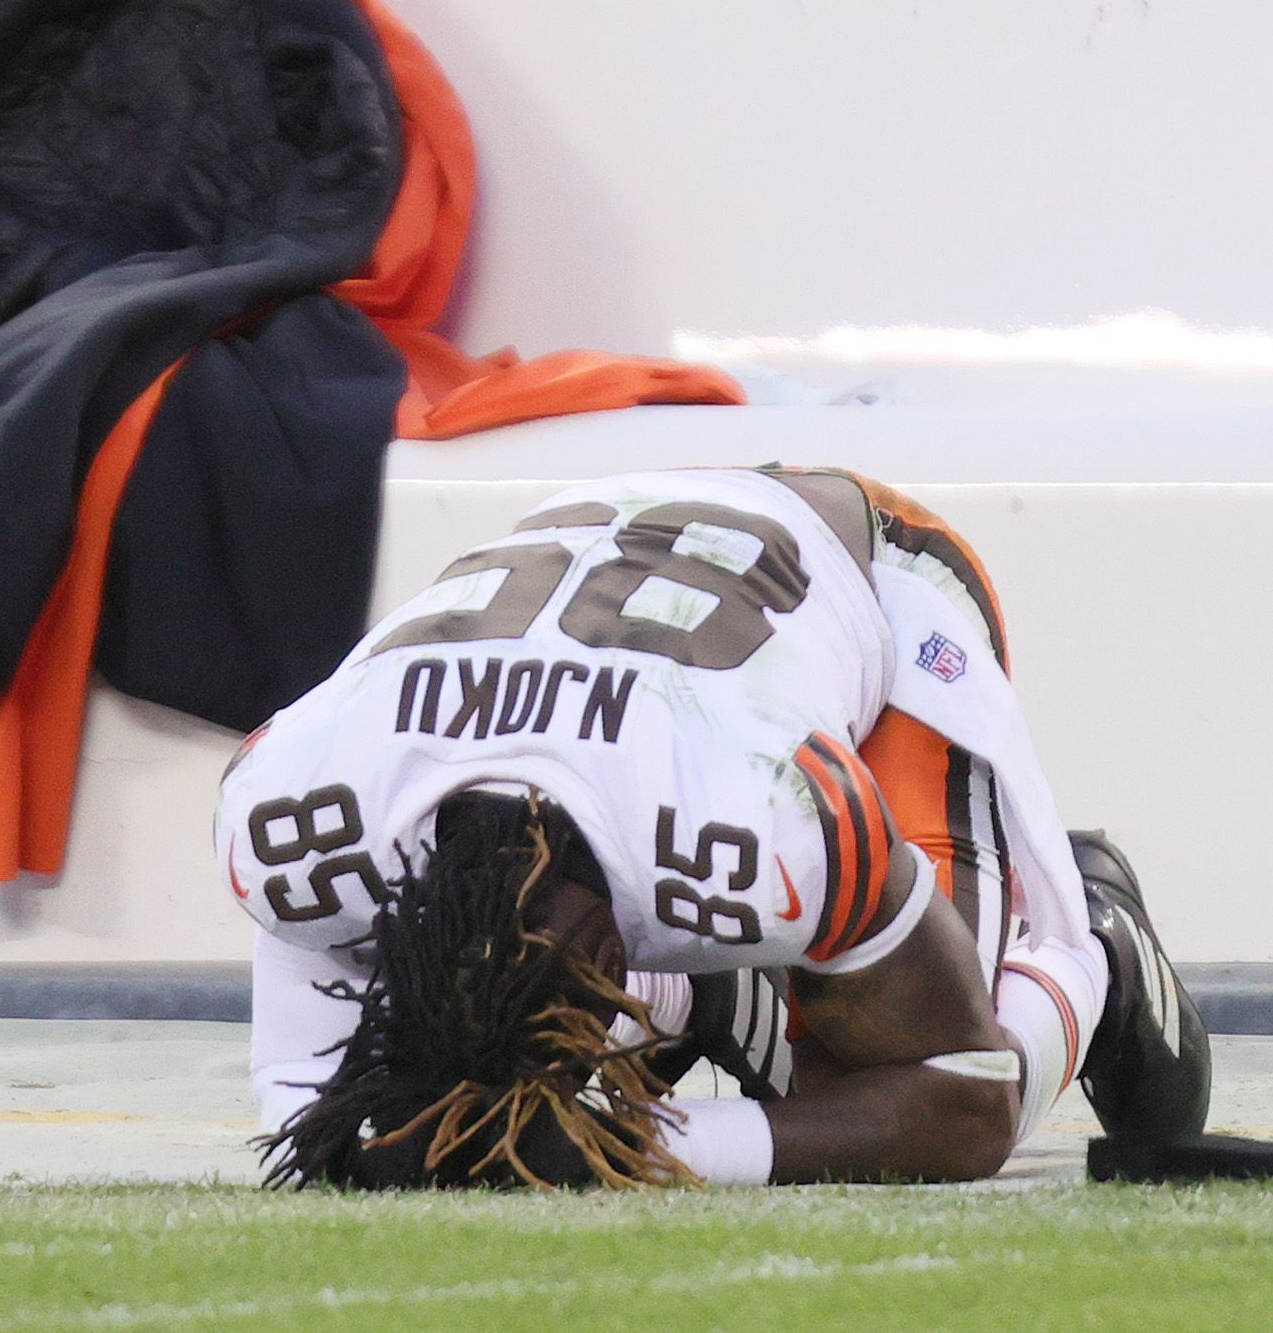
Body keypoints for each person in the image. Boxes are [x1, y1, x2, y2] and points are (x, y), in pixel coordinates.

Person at [217, 466, 1209, 1188]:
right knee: (513, 1075)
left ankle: (1100, 946)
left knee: (865, 1069)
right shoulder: (293, 817)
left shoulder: (757, 820)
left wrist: (638, 1150)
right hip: (629, 592)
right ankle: (709, 998)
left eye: (573, 1024)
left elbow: (961, 1094)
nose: (569, 1076)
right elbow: (312, 1107)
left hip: (871, 576)